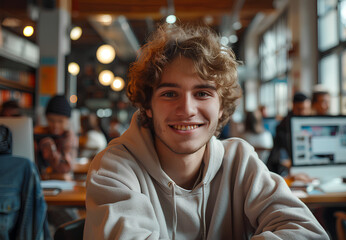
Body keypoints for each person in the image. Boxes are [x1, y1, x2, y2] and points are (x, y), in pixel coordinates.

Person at [84, 23, 328, 239]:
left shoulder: (240, 161)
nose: (187, 109)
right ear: (147, 106)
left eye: (202, 93)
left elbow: (305, 231)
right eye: (169, 94)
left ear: (221, 107)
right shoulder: (114, 167)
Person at [34, 95, 78, 180]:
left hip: (61, 183)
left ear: (68, 120)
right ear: (46, 118)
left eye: (60, 121)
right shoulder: (39, 133)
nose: (55, 125)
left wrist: (50, 147)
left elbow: (64, 168)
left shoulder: (69, 137)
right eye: (51, 120)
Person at [266, 92, 311, 176]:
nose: (303, 112)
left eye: (306, 109)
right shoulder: (283, 125)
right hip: (283, 168)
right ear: (293, 106)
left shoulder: (308, 122)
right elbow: (281, 154)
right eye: (300, 109)